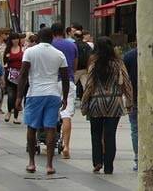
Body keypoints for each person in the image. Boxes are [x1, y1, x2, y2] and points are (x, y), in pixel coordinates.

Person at [15, 27, 70, 176]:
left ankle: (32, 162)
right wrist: (64, 98)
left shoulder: (30, 52)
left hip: (35, 94)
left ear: (38, 38)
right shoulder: (59, 54)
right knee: (50, 128)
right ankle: (49, 165)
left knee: (32, 128)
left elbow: (23, 75)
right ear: (52, 38)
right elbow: (65, 78)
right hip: (53, 94)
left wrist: (19, 97)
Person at [80, 36, 132, 174]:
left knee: (95, 134)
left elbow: (89, 86)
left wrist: (84, 103)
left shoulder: (94, 64)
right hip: (115, 103)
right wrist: (129, 101)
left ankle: (97, 161)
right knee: (110, 135)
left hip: (96, 103)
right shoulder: (118, 64)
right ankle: (109, 166)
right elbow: (127, 83)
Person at [51, 23, 78, 159]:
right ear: (63, 32)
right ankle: (66, 146)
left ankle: (50, 143)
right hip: (69, 81)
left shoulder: (50, 45)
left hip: (53, 82)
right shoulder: (72, 45)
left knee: (51, 113)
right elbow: (74, 65)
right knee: (66, 114)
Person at [122, 42, 138, 171]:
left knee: (135, 129)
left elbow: (124, 78)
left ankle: (138, 159)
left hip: (133, 97)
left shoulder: (128, 56)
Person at [3, 32, 24, 124]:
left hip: (20, 75)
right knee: (11, 95)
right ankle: (8, 111)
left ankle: (16, 116)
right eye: (13, 39)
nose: (15, 40)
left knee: (18, 96)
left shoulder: (22, 50)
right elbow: (4, 62)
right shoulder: (8, 50)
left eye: (17, 38)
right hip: (10, 75)